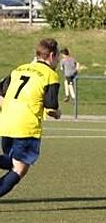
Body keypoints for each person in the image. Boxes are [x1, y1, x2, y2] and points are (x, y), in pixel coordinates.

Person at [0, 39, 62, 199]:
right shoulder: (50, 75)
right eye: (58, 57)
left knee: (13, 162)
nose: (58, 60)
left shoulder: (19, 69)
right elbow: (51, 108)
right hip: (26, 127)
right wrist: (58, 114)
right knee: (19, 169)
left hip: (5, 124)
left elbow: (1, 93)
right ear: (52, 55)